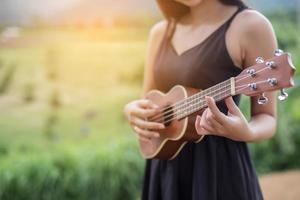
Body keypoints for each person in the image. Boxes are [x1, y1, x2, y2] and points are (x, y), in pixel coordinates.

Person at [124, 0, 277, 199]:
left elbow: (268, 118)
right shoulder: (161, 32)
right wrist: (131, 110)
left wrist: (246, 131)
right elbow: (149, 100)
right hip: (165, 165)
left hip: (218, 169)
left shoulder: (250, 25)